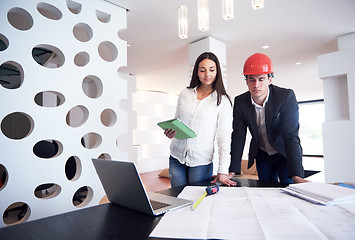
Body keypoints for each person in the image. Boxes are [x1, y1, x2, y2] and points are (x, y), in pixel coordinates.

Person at [229, 53, 309, 184]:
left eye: (261, 79)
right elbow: (238, 136)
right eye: (251, 79)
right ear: (246, 81)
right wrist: (232, 170)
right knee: (265, 189)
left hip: (284, 152)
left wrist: (297, 174)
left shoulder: (285, 97)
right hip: (262, 153)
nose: (256, 85)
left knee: (288, 187)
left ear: (269, 79)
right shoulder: (240, 102)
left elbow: (291, 136)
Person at [164, 52, 236, 187]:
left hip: (201, 162)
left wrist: (223, 170)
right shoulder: (185, 93)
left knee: (196, 202)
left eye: (211, 70)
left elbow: (224, 138)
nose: (207, 74)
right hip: (176, 157)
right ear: (197, 72)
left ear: (217, 72)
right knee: (178, 199)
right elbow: (177, 121)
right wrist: (171, 131)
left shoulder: (223, 101)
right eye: (202, 70)